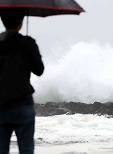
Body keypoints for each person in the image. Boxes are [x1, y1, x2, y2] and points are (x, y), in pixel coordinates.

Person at [0, 8, 44, 154]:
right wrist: (30, 49)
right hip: (22, 105)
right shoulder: (27, 43)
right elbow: (39, 70)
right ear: (21, 23)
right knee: (26, 150)